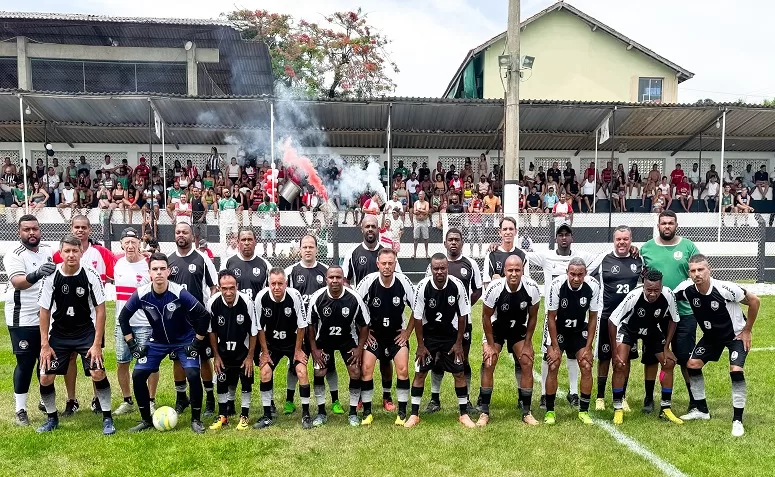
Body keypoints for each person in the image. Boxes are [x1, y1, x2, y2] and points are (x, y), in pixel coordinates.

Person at [119, 253, 211, 434]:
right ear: (150, 273)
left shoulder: (179, 293)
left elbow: (203, 315)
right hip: (157, 342)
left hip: (184, 340)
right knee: (138, 375)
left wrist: (197, 342)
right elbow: (123, 318)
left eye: (162, 269)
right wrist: (132, 345)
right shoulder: (141, 294)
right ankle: (145, 420)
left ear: (168, 271)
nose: (159, 273)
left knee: (192, 374)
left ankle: (196, 420)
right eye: (155, 269)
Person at [673, 254, 760, 437]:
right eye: (693, 270)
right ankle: (702, 410)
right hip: (711, 336)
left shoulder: (725, 288)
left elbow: (754, 301)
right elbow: (669, 297)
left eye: (700, 269)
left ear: (709, 269)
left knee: (735, 370)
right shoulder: (686, 289)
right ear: (689, 273)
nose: (697, 274)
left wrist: (748, 330)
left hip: (735, 336)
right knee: (692, 365)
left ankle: (737, 420)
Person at [37, 235, 112, 434]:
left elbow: (101, 309)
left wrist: (96, 344)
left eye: (75, 251)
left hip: (85, 332)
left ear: (81, 252)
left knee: (98, 372)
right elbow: (43, 311)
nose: (71, 255)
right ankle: (52, 419)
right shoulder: (51, 277)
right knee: (45, 377)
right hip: (59, 334)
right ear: (60, 253)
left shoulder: (90, 274)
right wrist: (45, 345)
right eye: (67, 251)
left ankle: (107, 418)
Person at [53, 215, 115, 415]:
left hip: (91, 319)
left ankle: (98, 399)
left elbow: (115, 274)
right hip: (65, 319)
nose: (80, 231)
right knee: (69, 358)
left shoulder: (101, 253)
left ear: (90, 230)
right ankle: (72, 400)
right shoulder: (58, 254)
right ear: (71, 229)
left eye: (84, 227)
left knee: (95, 359)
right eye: (76, 227)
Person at [640, 210, 700, 413]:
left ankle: (695, 400)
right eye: (664, 223)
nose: (667, 226)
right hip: (655, 314)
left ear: (676, 225)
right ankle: (649, 398)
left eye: (670, 223)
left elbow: (699, 271)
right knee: (651, 357)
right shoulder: (646, 248)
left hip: (685, 313)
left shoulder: (688, 246)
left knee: (685, 357)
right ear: (658, 225)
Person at [342, 214, 403, 410]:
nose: (370, 229)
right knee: (362, 360)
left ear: (379, 229)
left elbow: (399, 280)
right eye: (367, 226)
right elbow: (345, 281)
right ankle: (360, 396)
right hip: (363, 321)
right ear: (362, 229)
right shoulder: (353, 253)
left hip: (387, 315)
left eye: (373, 226)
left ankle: (387, 397)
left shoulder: (387, 253)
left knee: (386, 360)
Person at [405, 254, 473, 428]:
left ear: (447, 269)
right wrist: (420, 345)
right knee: (420, 372)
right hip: (429, 336)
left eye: (443, 268)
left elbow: (463, 315)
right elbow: (418, 317)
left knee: (459, 372)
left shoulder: (457, 285)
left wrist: (458, 343)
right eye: (436, 268)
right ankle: (414, 414)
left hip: (450, 336)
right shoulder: (423, 286)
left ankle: (464, 414)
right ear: (431, 269)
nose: (440, 271)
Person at [608, 269, 683, 426]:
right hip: (629, 328)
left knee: (668, 362)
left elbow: (674, 320)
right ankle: (618, 408)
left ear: (661, 287)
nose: (653, 294)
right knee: (620, 364)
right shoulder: (634, 296)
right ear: (644, 286)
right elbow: (612, 321)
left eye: (656, 290)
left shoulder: (668, 294)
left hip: (651, 328)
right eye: (649, 290)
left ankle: (665, 408)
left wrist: (667, 346)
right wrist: (614, 352)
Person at [3, 215, 55, 426]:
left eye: (34, 228)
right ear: (19, 232)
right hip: (21, 315)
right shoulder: (14, 254)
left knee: (45, 358)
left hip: (45, 314)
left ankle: (44, 400)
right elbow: (18, 282)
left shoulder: (47, 250)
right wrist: (36, 274)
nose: (31, 233)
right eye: (27, 229)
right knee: (25, 362)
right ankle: (20, 409)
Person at [478, 255, 541, 427]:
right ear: (504, 271)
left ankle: (526, 412)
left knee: (527, 362)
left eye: (517, 270)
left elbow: (533, 317)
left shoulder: (532, 288)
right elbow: (485, 317)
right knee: (489, 362)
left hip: (517, 328)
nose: (514, 274)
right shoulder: (494, 288)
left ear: (522, 271)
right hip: (496, 327)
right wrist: (490, 346)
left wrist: (528, 344)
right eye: (510, 270)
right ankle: (484, 412)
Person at [425, 228, 482, 415]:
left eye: (457, 239)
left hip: (462, 323)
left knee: (462, 361)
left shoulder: (470, 264)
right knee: (437, 360)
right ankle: (434, 399)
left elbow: (478, 290)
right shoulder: (435, 264)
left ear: (462, 243)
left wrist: (462, 310)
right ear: (445, 243)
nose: (454, 242)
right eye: (450, 239)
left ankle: (466, 401)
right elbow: (427, 290)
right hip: (438, 324)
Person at [355, 248, 416, 425]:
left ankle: (402, 413)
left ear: (395, 264)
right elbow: (355, 308)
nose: (387, 267)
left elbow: (417, 310)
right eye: (384, 263)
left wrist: (407, 332)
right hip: (375, 336)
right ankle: (367, 413)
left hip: (396, 335)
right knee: (366, 369)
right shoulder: (368, 282)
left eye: (390, 263)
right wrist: (363, 333)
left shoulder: (403, 281)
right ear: (378, 264)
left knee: (403, 370)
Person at [588, 225, 643, 412]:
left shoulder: (639, 259)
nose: (622, 242)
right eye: (619, 239)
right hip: (607, 317)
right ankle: (601, 397)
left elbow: (648, 281)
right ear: (614, 240)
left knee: (624, 358)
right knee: (604, 358)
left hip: (630, 319)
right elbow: (584, 274)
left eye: (626, 239)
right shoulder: (604, 258)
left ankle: (622, 396)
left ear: (631, 240)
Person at [307, 265, 371, 427]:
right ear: (326, 279)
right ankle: (321, 412)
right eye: (331, 277)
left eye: (338, 277)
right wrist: (314, 349)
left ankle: (352, 412)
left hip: (347, 339)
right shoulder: (317, 298)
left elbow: (364, 325)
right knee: (319, 371)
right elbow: (310, 325)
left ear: (343, 279)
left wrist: (359, 348)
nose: (335, 280)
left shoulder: (353, 298)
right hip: (324, 340)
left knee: (355, 371)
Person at [168, 222, 219, 417]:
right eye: (178, 232)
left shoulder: (202, 259)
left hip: (198, 321)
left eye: (185, 232)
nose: (181, 235)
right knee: (178, 359)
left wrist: (207, 311)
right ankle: (181, 397)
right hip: (176, 321)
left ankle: (209, 398)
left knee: (204, 358)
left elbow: (214, 287)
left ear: (192, 236)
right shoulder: (169, 260)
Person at [544, 258, 601, 425]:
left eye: (580, 275)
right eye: (573, 274)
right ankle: (549, 411)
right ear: (567, 273)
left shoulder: (593, 286)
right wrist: (554, 346)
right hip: (558, 329)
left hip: (578, 330)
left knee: (586, 365)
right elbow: (551, 317)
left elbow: (593, 317)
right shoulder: (556, 285)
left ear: (586, 274)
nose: (576, 278)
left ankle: (583, 411)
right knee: (553, 364)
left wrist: (589, 347)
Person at [254, 267, 311, 429]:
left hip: (293, 343)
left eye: (280, 283)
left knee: (302, 371)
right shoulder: (261, 297)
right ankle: (267, 415)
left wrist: (298, 350)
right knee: (265, 371)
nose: (277, 287)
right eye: (273, 283)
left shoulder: (294, 296)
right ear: (268, 283)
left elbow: (302, 325)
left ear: (286, 283)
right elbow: (259, 328)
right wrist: (265, 352)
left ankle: (306, 414)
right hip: (273, 344)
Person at [283, 235, 330, 415]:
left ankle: (332, 401)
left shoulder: (325, 271)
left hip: (319, 329)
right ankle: (288, 401)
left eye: (311, 247)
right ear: (300, 250)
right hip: (299, 330)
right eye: (305, 247)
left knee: (325, 365)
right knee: (295, 365)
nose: (308, 250)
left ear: (317, 249)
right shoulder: (291, 272)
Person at [113, 228, 157, 416]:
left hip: (145, 323)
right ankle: (127, 400)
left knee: (149, 363)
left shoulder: (148, 264)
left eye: (133, 242)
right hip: (121, 324)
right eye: (127, 242)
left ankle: (151, 400)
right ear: (121, 244)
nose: (130, 246)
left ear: (140, 243)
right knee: (123, 362)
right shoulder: (116, 264)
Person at [206, 270, 257, 431]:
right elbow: (211, 331)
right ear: (219, 288)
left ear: (237, 286)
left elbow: (254, 332)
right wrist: (216, 356)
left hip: (243, 351)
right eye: (224, 288)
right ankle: (223, 416)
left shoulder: (247, 302)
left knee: (246, 382)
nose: (228, 292)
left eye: (231, 288)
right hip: (223, 352)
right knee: (221, 381)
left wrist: (250, 357)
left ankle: (244, 416)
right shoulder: (213, 302)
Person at [222, 229, 272, 301]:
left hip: (256, 310)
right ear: (238, 242)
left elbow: (271, 291)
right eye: (243, 240)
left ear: (255, 241)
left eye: (250, 239)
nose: (246, 243)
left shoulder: (265, 265)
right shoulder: (227, 263)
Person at [482, 216, 527, 288]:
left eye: (511, 229)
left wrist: (500, 281)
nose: (508, 232)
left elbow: (526, 282)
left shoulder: (523, 255)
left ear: (515, 232)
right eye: (505, 229)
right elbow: (486, 284)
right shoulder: (491, 254)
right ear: (500, 232)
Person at [412, 190, 431, 258]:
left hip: (424, 222)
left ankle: (426, 253)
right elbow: (414, 212)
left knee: (426, 238)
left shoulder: (426, 203)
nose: (420, 196)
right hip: (417, 222)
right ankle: (414, 253)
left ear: (424, 195)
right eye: (419, 195)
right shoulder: (416, 203)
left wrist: (419, 210)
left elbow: (427, 212)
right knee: (415, 238)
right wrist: (422, 211)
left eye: (421, 195)